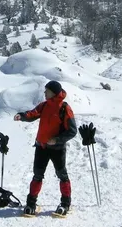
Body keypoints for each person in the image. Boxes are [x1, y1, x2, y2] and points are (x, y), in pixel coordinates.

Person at [14, 80, 77, 217]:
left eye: (46, 91)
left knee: (62, 176)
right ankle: (31, 203)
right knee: (37, 175)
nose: (44, 93)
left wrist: (57, 140)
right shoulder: (45, 106)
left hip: (57, 149)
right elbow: (33, 113)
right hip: (41, 147)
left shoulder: (64, 108)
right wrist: (22, 116)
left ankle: (65, 203)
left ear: (53, 92)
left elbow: (72, 131)